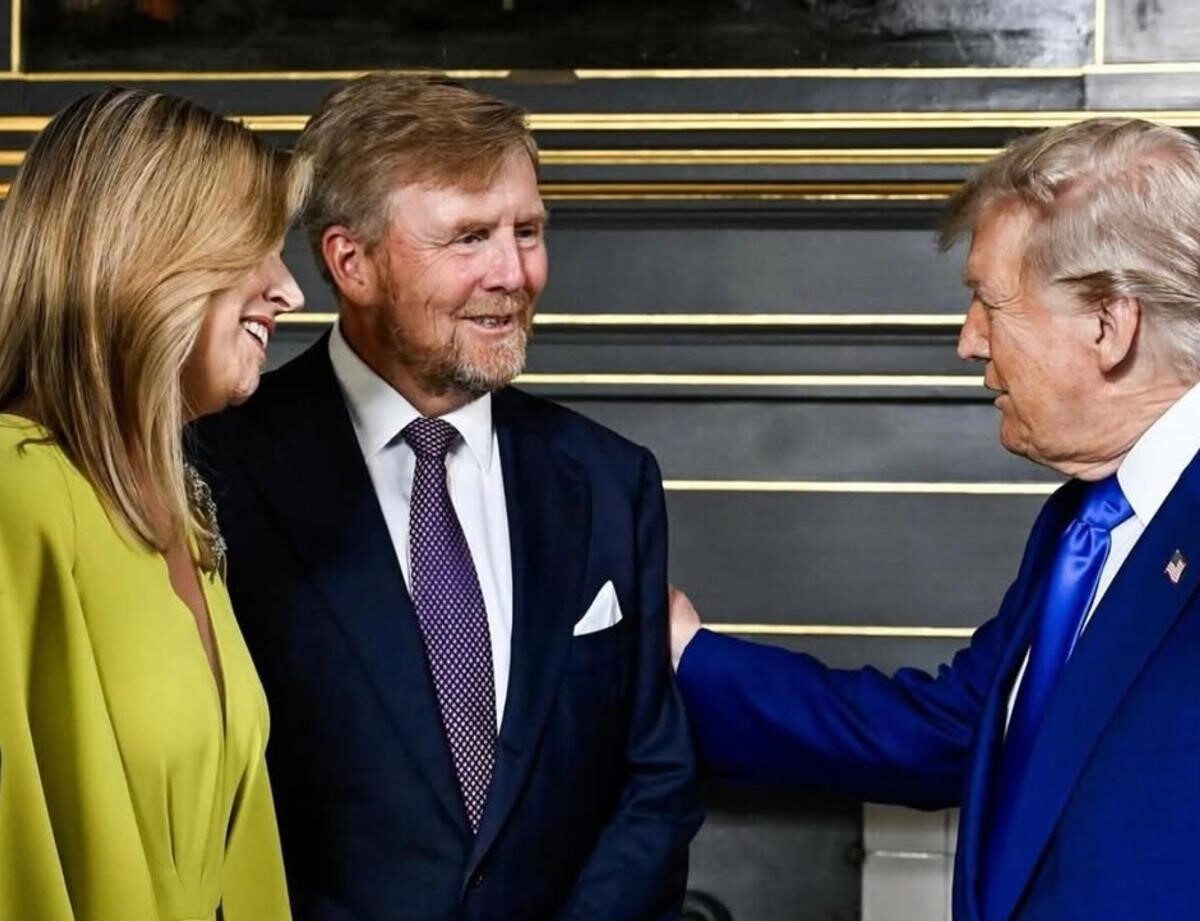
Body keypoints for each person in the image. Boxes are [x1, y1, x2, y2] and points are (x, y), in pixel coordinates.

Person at [193, 73, 701, 921]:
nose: (515, 272)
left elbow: (657, 778)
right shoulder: (214, 467)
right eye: (469, 237)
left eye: (527, 231)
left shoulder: (611, 480)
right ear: (351, 262)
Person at [670, 117, 1200, 921]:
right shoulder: (1085, 521)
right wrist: (687, 658)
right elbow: (957, 730)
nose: (968, 341)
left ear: (1108, 323)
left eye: (990, 301)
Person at [0, 88, 307, 920]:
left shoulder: (183, 507)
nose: (288, 290)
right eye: (256, 249)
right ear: (152, 254)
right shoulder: (17, 492)